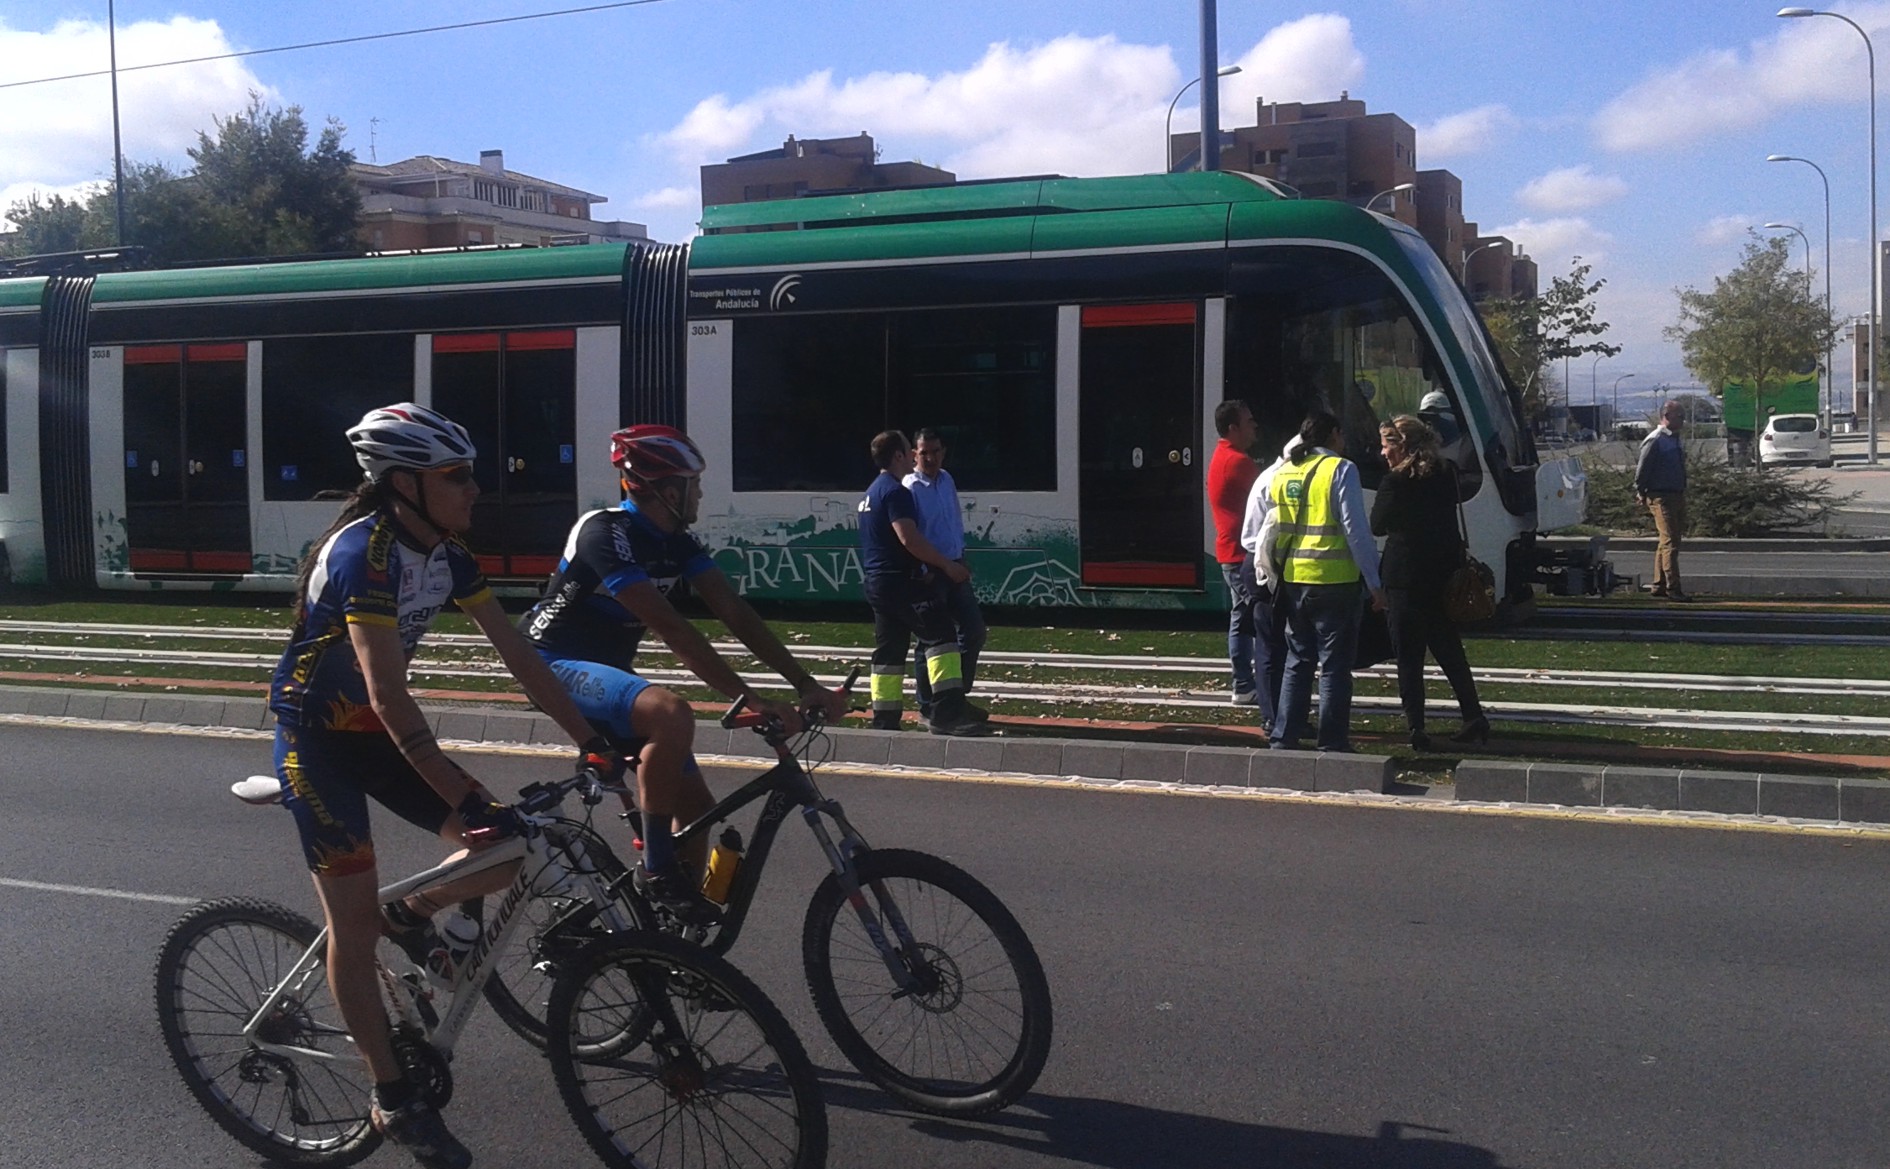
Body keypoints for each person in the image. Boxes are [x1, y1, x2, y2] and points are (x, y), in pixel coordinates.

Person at [270, 403, 615, 1169]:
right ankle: (393, 1098)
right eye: (456, 477)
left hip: (379, 740)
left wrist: (592, 739)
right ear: (405, 484)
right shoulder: (366, 554)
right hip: (319, 742)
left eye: (471, 474)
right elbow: (388, 696)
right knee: (354, 929)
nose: (474, 489)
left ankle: (414, 912)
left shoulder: (448, 554)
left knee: (509, 847)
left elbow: (523, 658)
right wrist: (460, 793)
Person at [521, 424, 850, 926]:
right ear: (669, 491)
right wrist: (751, 698)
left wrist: (803, 682)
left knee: (697, 815)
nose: (700, 494)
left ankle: (671, 947)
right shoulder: (604, 533)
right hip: (548, 664)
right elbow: (671, 627)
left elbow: (734, 612)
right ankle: (657, 873)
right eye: (694, 485)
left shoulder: (676, 541)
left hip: (606, 672)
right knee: (671, 713)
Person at [1254, 410, 1386, 752]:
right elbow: (1355, 530)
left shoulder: (1283, 473)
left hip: (1294, 579)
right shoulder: (1341, 469)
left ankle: (1284, 735)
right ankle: (1332, 740)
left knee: (1297, 660)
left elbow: (1271, 528)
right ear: (1335, 435)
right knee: (1335, 666)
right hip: (1336, 581)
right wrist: (1374, 581)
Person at [1370, 415, 1489, 749]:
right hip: (1443, 574)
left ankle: (1416, 727)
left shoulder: (1395, 482)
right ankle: (1473, 716)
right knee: (1449, 650)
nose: (1382, 453)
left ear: (1401, 445)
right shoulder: (1446, 471)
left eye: (1385, 445)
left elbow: (1377, 525)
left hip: (1405, 577)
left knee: (1409, 656)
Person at [859, 429, 988, 735]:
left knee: (889, 654)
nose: (922, 457)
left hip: (878, 581)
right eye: (911, 450)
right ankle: (944, 714)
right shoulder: (897, 491)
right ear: (901, 455)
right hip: (902, 580)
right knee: (941, 639)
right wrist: (941, 564)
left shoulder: (871, 492)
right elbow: (908, 538)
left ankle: (885, 719)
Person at [903, 428, 988, 721]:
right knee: (930, 641)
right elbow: (909, 536)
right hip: (931, 573)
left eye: (935, 451)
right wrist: (924, 569)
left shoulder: (947, 479)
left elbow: (952, 521)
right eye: (924, 452)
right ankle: (928, 705)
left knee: (974, 632)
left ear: (943, 452)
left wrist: (961, 556)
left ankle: (954, 697)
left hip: (955, 565)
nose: (930, 457)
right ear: (914, 454)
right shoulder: (910, 486)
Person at [1207, 400, 1262, 706]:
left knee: (1241, 618)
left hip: (1231, 551)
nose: (1254, 427)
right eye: (1249, 421)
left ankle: (1243, 683)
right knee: (1251, 619)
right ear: (1233, 428)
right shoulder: (1239, 462)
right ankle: (1245, 684)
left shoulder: (1224, 457)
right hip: (1241, 554)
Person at [1636, 400, 1689, 601]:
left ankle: (1659, 585)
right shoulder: (1655, 440)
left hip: (1675, 494)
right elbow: (1642, 469)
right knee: (1670, 542)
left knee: (1668, 541)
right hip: (1660, 496)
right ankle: (1673, 588)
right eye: (1679, 417)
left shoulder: (1675, 439)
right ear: (1666, 417)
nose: (1683, 421)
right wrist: (1640, 491)